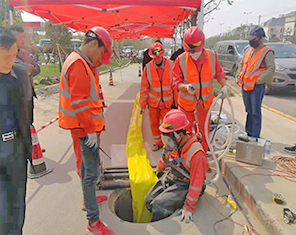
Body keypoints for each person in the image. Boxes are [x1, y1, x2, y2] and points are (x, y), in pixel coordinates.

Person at [58, 26, 114, 235]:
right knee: (90, 174)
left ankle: (88, 198)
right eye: (101, 52)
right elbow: (80, 103)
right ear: (93, 44)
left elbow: (88, 97)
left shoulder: (81, 62)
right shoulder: (78, 65)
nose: (100, 58)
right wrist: (90, 130)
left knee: (87, 169)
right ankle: (93, 221)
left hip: (84, 127)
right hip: (84, 129)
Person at [145, 109, 209, 223]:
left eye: (168, 139)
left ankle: (164, 223)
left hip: (186, 184)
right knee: (148, 200)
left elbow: (196, 184)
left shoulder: (196, 154)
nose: (166, 143)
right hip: (173, 177)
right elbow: (166, 159)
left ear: (179, 135)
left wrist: (189, 207)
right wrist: (158, 170)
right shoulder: (175, 144)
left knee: (158, 205)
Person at [173, 26, 228, 152]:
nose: (192, 53)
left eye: (194, 50)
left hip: (205, 106)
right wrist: (185, 87)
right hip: (186, 106)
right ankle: (186, 160)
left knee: (203, 134)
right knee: (185, 135)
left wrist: (224, 86)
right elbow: (176, 83)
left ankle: (201, 159)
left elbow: (219, 74)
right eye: (189, 51)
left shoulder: (212, 56)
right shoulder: (181, 60)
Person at [0, 26, 32, 235]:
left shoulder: (19, 73)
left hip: (17, 149)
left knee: (18, 206)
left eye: (13, 56)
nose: (10, 62)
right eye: (4, 58)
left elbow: (26, 109)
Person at [237, 27, 275, 138]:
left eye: (254, 39)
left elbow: (271, 69)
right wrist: (238, 76)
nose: (251, 41)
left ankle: (255, 136)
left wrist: (258, 81)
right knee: (248, 111)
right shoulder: (248, 50)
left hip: (256, 87)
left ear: (261, 39)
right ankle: (248, 134)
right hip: (245, 85)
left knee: (255, 112)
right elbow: (241, 64)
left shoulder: (267, 52)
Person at [140, 41, 175, 151]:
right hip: (153, 103)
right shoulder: (148, 68)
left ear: (163, 54)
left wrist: (178, 102)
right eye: (154, 57)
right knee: (154, 124)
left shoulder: (171, 65)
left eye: (158, 57)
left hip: (167, 103)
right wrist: (142, 105)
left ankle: (168, 143)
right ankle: (158, 142)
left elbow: (176, 85)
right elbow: (144, 88)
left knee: (168, 124)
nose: (157, 60)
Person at [10, 25, 40, 126]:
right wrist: (26, 69)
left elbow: (37, 69)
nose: (23, 39)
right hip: (16, 97)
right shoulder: (7, 55)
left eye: (24, 37)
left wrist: (28, 69)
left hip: (28, 95)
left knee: (29, 124)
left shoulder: (24, 53)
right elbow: (21, 70)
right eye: (21, 37)